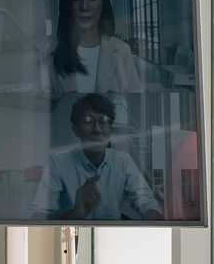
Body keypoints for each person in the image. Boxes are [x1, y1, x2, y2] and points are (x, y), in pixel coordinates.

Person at [33, 93, 162, 222]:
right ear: (76, 130)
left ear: (111, 130)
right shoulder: (58, 164)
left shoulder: (123, 161)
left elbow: (146, 202)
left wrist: (154, 222)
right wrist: (72, 215)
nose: (97, 129)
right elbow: (36, 217)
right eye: (89, 121)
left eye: (104, 121)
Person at [49, 0, 141, 113]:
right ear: (68, 3)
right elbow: (38, 109)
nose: (84, 7)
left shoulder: (122, 50)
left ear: (103, 3)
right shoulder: (49, 53)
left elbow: (137, 103)